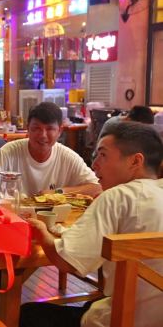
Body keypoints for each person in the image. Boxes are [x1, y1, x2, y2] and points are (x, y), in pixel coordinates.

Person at [19, 121, 163, 327]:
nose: (94, 164)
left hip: (125, 320)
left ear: (135, 161)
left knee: (28, 314)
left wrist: (42, 230)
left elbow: (65, 261)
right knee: (95, 302)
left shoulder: (117, 196)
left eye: (103, 155)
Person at [0, 102, 101, 197]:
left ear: (60, 131)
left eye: (50, 129)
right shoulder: (9, 151)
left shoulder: (67, 157)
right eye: (36, 128)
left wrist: (58, 192)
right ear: (28, 129)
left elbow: (97, 187)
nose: (42, 135)